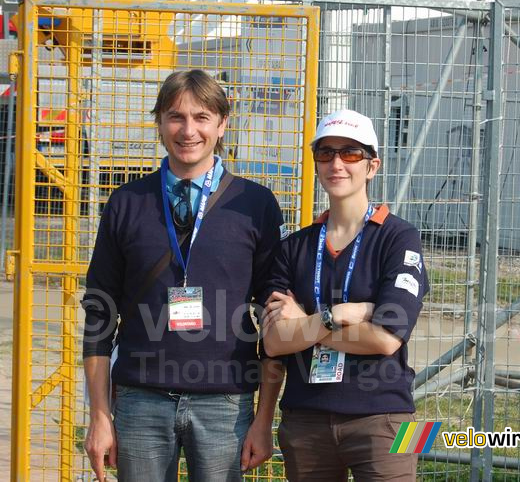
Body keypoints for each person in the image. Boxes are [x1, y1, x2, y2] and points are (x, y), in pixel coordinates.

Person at [81, 69, 285, 482]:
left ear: (222, 124)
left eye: (202, 117)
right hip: (140, 399)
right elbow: (99, 317)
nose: (188, 130)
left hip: (226, 401)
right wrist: (100, 416)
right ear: (159, 122)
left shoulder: (255, 204)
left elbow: (273, 318)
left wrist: (264, 420)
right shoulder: (126, 203)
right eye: (176, 116)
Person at [262, 109, 429, 481]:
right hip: (306, 419)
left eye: (351, 153)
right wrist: (338, 315)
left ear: (372, 166)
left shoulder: (398, 238)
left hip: (385, 419)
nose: (337, 163)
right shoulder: (294, 247)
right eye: (326, 153)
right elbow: (273, 342)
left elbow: (386, 338)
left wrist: (303, 326)